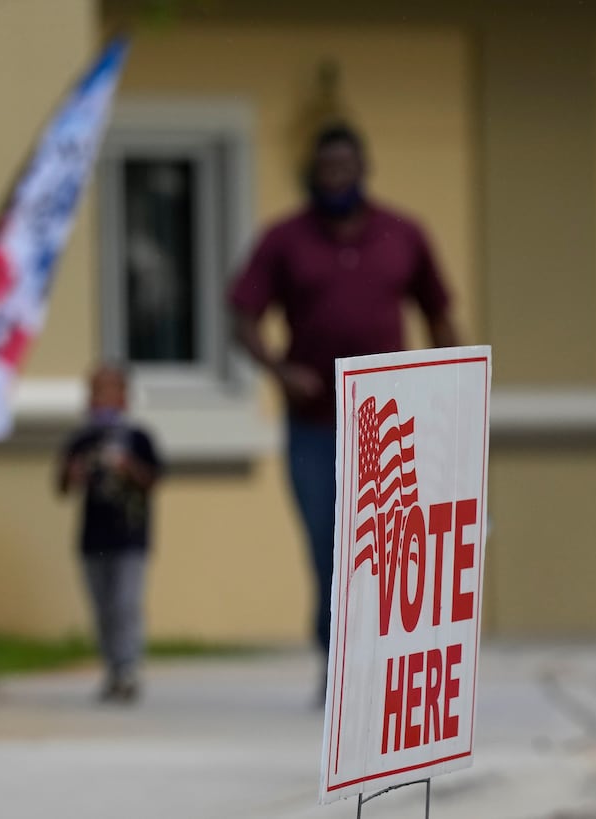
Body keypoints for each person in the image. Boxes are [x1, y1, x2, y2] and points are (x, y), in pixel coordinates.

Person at [227, 123, 461, 700]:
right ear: (313, 175)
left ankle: (386, 671)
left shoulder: (402, 234)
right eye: (325, 168)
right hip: (316, 423)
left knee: (391, 546)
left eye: (345, 166)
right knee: (331, 547)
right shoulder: (285, 239)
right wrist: (281, 372)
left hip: (394, 422)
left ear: (364, 169)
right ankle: (337, 668)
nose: (335, 177)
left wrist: (452, 386)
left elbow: (439, 313)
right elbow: (242, 317)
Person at [57, 363, 163, 704]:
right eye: (94, 391)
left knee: (126, 604)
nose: (100, 398)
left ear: (123, 396)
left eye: (107, 390)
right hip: (93, 538)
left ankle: (128, 668)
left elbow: (154, 481)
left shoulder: (138, 438)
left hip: (130, 536)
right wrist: (73, 473)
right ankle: (112, 669)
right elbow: (61, 486)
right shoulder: (81, 438)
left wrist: (127, 467)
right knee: (103, 607)